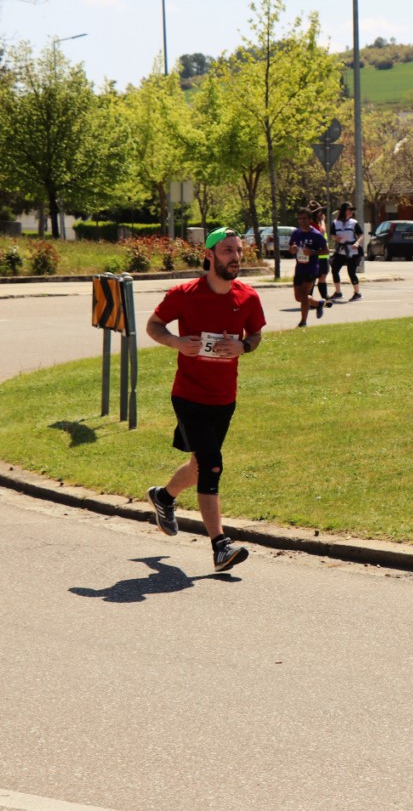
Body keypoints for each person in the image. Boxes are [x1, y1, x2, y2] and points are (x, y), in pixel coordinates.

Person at [145, 228, 265, 572]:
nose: (236, 258)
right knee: (211, 465)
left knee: (199, 466)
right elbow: (154, 325)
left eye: (239, 251)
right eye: (228, 251)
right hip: (189, 394)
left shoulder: (248, 297)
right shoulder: (185, 294)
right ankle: (220, 546)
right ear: (209, 254)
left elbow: (256, 335)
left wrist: (243, 346)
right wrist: (176, 342)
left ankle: (164, 496)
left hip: (225, 396)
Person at [288, 205, 331, 325]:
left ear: (309, 219)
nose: (302, 221)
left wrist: (312, 252)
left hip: (311, 268)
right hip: (299, 268)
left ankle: (303, 321)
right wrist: (293, 249)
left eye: (304, 218)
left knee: (305, 294)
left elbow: (326, 250)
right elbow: (291, 249)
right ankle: (319, 303)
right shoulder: (296, 233)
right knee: (299, 297)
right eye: (300, 218)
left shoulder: (316, 235)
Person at [329, 202, 363, 301]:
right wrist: (335, 238)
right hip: (341, 250)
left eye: (352, 210)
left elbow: (361, 235)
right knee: (335, 269)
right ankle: (338, 292)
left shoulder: (354, 222)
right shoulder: (335, 222)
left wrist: (357, 243)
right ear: (344, 211)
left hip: (352, 251)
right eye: (349, 209)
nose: (351, 211)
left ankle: (357, 293)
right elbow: (332, 234)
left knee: (351, 272)